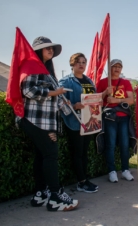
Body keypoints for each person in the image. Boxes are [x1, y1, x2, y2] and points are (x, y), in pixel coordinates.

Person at [18, 36, 78, 211]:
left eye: (52, 48)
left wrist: (72, 107)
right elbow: (28, 91)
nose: (51, 51)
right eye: (47, 48)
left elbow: (57, 99)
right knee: (51, 155)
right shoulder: (31, 65)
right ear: (38, 50)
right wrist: (54, 93)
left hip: (43, 121)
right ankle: (55, 197)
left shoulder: (47, 71)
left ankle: (41, 194)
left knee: (42, 156)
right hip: (35, 120)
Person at [59, 53, 98, 193]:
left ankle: (85, 179)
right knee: (78, 153)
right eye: (78, 62)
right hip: (75, 122)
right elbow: (59, 101)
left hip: (89, 122)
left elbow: (95, 98)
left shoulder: (89, 81)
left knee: (84, 153)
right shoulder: (65, 81)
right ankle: (81, 182)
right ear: (72, 64)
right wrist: (74, 106)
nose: (81, 64)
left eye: (83, 62)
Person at [96, 59, 134, 183]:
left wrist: (116, 101)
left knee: (124, 144)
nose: (117, 69)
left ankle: (125, 170)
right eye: (114, 66)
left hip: (123, 117)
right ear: (110, 68)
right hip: (109, 117)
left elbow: (131, 100)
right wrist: (105, 93)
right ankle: (112, 171)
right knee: (110, 144)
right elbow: (96, 101)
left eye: (119, 66)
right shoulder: (102, 82)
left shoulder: (125, 82)